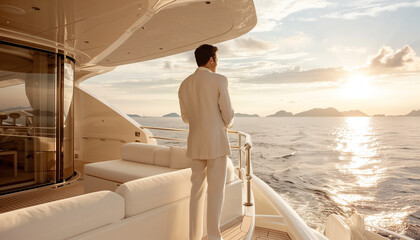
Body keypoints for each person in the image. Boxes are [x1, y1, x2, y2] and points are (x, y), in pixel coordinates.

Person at [178, 44, 234, 240]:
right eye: (216, 59)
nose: (217, 63)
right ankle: (213, 238)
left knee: (196, 193)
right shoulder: (219, 80)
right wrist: (223, 123)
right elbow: (227, 113)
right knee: (215, 195)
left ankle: (194, 237)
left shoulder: (184, 84)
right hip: (216, 142)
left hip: (195, 143)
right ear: (211, 60)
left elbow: (185, 117)